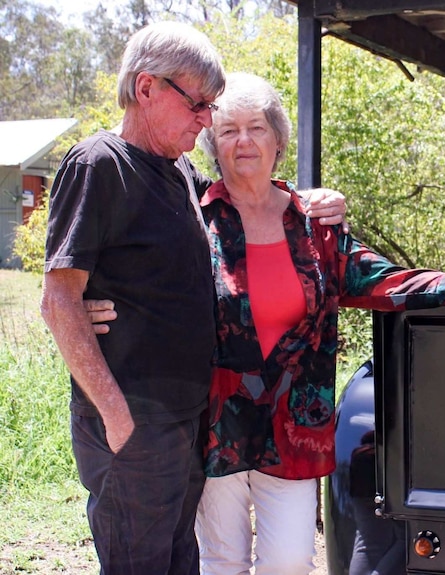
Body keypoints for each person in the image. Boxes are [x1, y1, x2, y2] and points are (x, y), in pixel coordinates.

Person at [192, 72, 445, 575]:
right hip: (217, 424)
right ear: (213, 143)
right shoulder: (197, 220)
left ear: (278, 140)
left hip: (294, 427)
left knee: (289, 562)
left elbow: (385, 281)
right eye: (228, 130)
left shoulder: (315, 227)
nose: (243, 141)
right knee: (221, 560)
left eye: (256, 127)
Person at [39, 23, 345, 575]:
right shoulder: (97, 165)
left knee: (183, 563)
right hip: (131, 424)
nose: (208, 121)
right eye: (199, 104)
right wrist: (116, 419)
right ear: (146, 87)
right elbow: (58, 300)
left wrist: (313, 200)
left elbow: (251, 198)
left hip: (188, 423)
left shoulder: (181, 172)